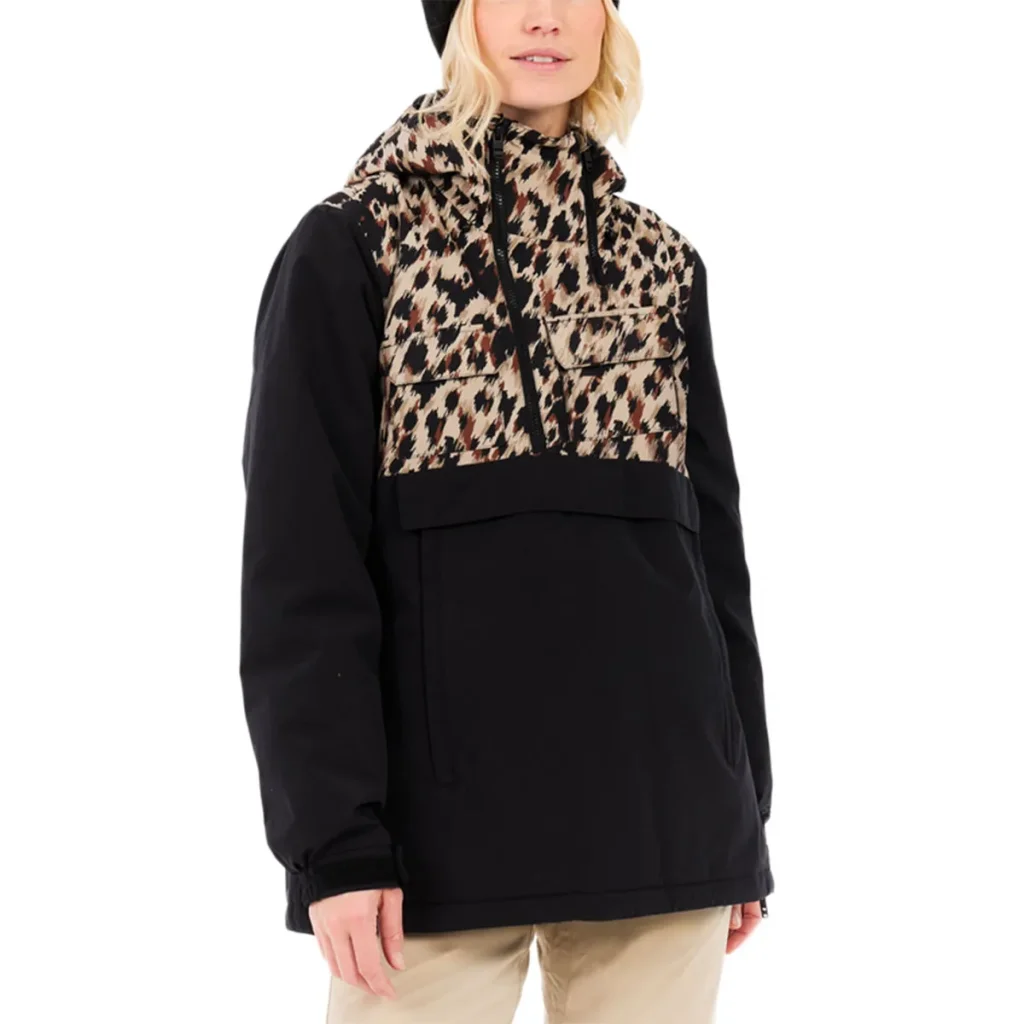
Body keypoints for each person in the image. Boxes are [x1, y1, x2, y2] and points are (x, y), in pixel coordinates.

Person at [238, 1, 774, 1020]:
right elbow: (300, 570)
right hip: (424, 851)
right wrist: (333, 842)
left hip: (667, 825)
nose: (543, 16)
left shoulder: (661, 265)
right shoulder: (353, 246)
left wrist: (744, 806)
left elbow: (710, 554)